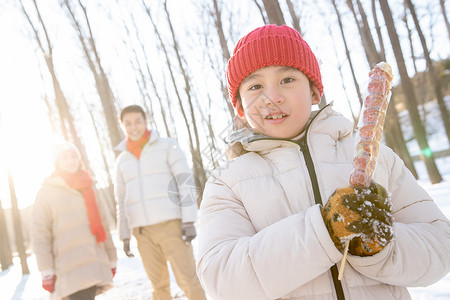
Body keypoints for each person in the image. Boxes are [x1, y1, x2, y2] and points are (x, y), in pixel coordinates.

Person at [196, 24, 450, 300]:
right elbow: (221, 282)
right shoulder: (228, 182)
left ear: (315, 91)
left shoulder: (376, 159)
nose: (272, 97)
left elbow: (439, 248)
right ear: (241, 108)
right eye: (256, 86)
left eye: (287, 80)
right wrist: (324, 231)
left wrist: (378, 247)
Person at [114, 104, 206, 300]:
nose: (134, 127)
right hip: (142, 232)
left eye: (138, 121)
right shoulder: (122, 161)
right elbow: (121, 200)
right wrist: (124, 235)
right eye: (128, 123)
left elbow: (185, 181)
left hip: (172, 225)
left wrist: (189, 220)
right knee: (158, 287)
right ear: (122, 126)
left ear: (146, 122)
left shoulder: (166, 146)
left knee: (188, 280)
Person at [31, 143, 117, 300]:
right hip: (66, 266)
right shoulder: (47, 191)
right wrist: (46, 269)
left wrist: (111, 257)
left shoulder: (89, 186)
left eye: (74, 156)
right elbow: (40, 233)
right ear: (57, 161)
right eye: (65, 157)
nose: (71, 161)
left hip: (92, 260)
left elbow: (103, 225)